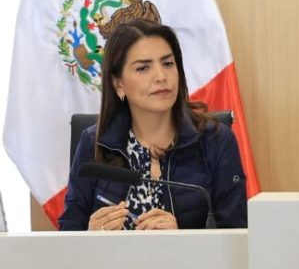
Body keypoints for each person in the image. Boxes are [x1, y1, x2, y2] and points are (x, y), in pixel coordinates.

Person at [60, 20, 247, 230]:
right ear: (119, 84)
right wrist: (89, 235)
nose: (161, 77)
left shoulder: (215, 141)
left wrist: (182, 239)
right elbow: (69, 231)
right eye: (143, 68)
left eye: (168, 64)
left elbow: (236, 234)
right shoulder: (94, 143)